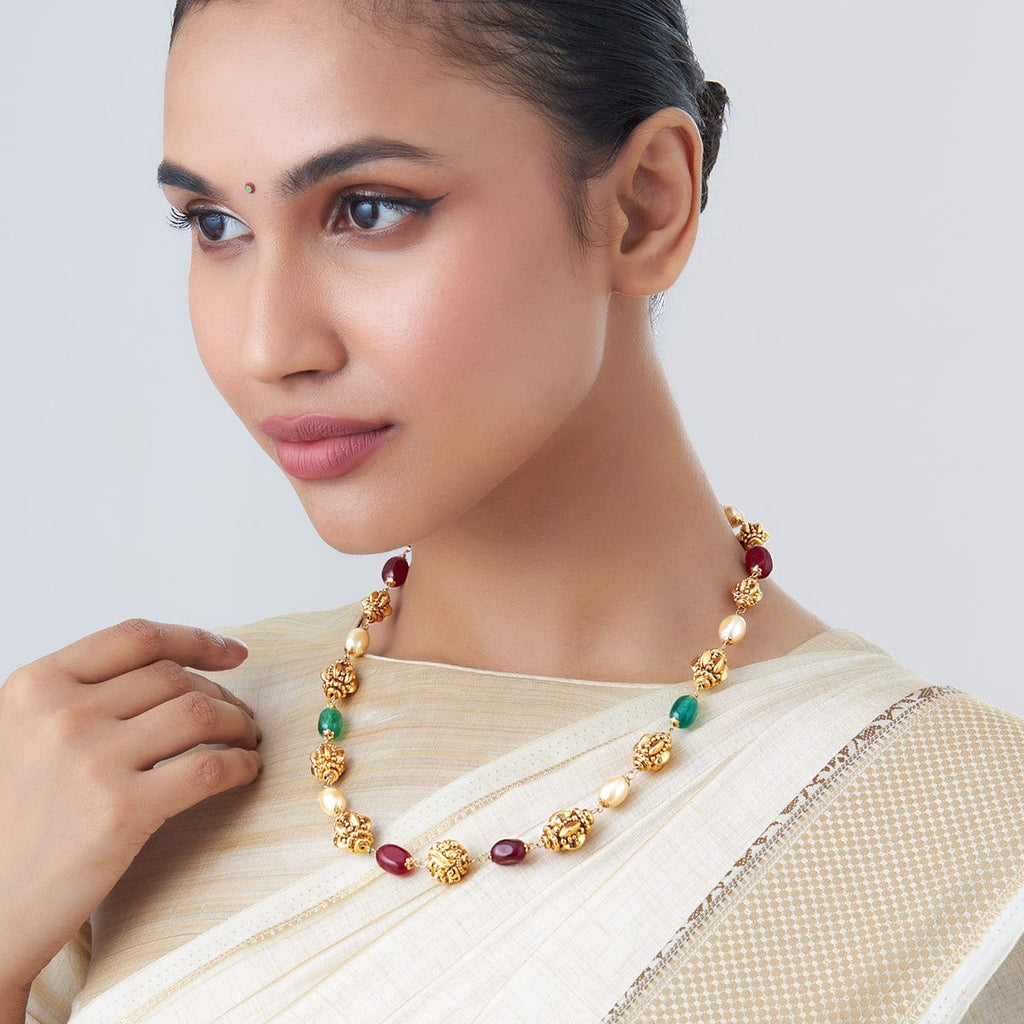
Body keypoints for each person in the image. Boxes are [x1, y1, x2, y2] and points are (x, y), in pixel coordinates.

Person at [2, 1, 1021, 1021]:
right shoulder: (132, 766)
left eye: (369, 210)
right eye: (214, 224)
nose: (269, 346)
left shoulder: (963, 836)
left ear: (646, 207)